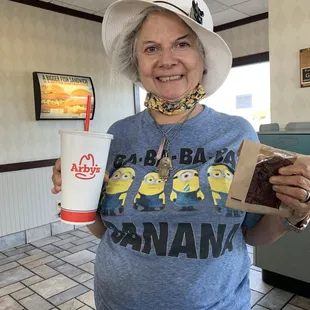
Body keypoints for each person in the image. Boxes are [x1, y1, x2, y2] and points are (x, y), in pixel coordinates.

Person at [52, 1, 310, 309]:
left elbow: (253, 235)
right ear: (137, 61)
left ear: (203, 58)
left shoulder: (237, 133)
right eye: (151, 48)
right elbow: (107, 230)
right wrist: (80, 196)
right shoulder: (117, 134)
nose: (166, 60)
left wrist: (294, 215)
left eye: (181, 44)